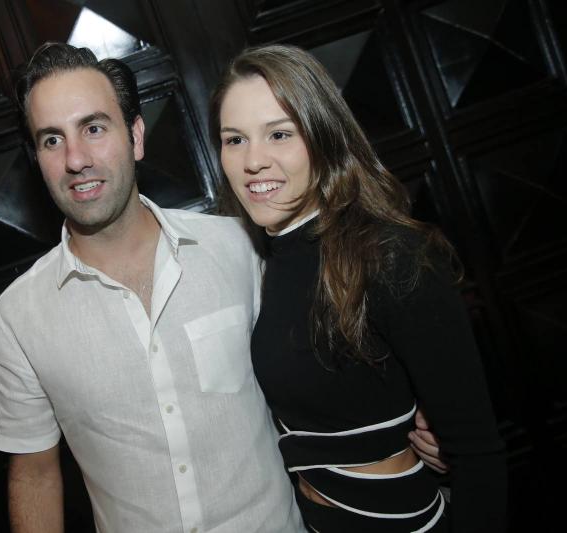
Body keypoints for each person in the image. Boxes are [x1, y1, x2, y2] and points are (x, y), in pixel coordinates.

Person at [0, 42, 304, 533]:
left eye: (94, 128)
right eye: (52, 140)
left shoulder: (237, 247)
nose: (76, 159)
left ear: (135, 136)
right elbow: (35, 473)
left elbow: (311, 379)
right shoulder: (18, 317)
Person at [210, 44, 507, 532]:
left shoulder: (391, 256)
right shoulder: (256, 260)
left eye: (279, 134)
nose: (253, 161)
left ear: (323, 135)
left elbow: (478, 453)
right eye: (234, 139)